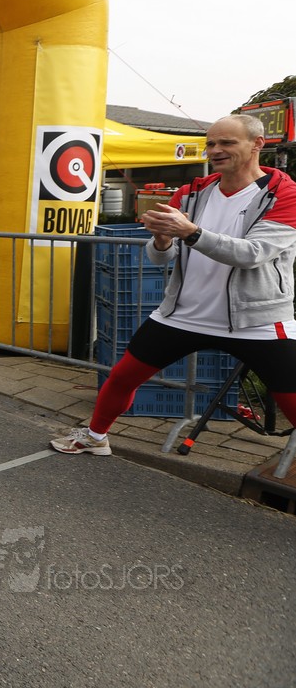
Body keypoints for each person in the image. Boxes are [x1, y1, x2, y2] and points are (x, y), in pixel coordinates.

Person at [52, 114, 296, 456]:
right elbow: (160, 257)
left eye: (227, 143)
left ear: (257, 144)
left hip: (255, 320)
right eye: (211, 143)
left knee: (291, 397)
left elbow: (252, 254)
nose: (215, 150)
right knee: (122, 377)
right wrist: (163, 239)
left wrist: (190, 232)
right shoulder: (191, 192)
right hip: (184, 313)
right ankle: (95, 437)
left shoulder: (283, 193)